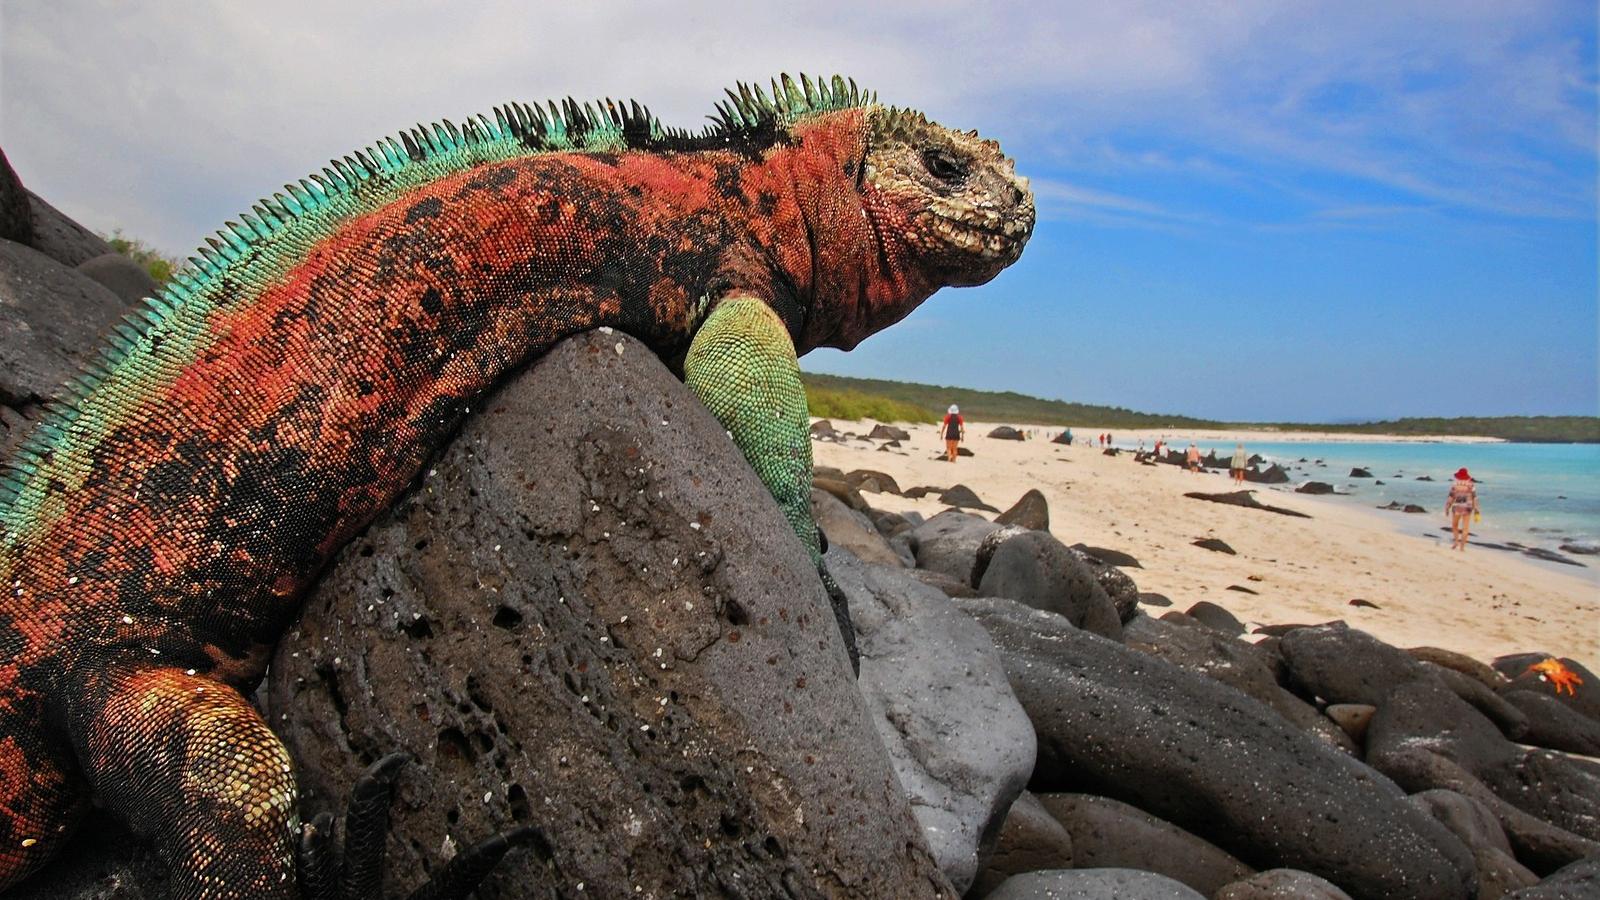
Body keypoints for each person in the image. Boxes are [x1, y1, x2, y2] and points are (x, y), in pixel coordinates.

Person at [1446, 467, 1480, 550]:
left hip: (1457, 507)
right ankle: (1462, 547)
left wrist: (1447, 507)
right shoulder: (1471, 485)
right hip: (1467, 507)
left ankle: (1456, 542)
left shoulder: (1454, 485)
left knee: (1454, 525)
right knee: (1465, 528)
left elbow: (1451, 497)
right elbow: (1474, 498)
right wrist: (1476, 509)